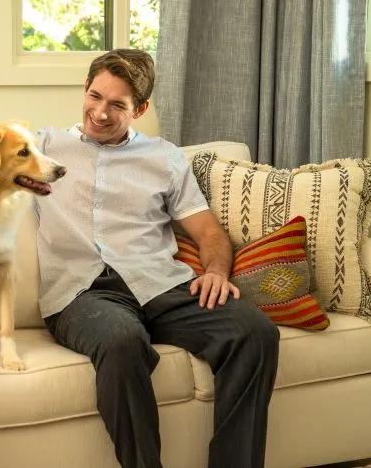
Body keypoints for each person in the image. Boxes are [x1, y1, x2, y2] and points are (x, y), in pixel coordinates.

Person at [35, 49, 280, 468]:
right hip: (84, 294)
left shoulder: (164, 157)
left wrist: (217, 271)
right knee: (121, 341)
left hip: (161, 285)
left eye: (117, 105)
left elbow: (207, 232)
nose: (100, 112)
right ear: (85, 89)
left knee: (255, 332)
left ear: (141, 108)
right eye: (95, 96)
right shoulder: (42, 148)